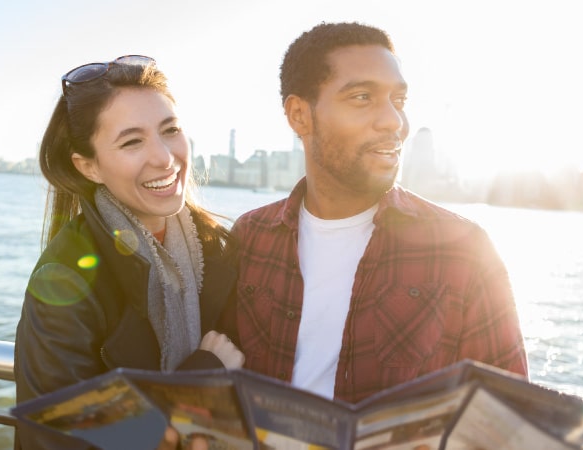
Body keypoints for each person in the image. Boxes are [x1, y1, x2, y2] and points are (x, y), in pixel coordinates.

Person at [221, 21, 528, 404]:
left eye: (398, 101)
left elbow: (508, 417)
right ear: (300, 115)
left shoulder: (464, 249)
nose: (394, 122)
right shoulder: (249, 237)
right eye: (363, 97)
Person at [14, 54, 244, 449]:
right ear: (89, 167)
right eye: (132, 141)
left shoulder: (218, 249)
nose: (164, 157)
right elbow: (56, 437)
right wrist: (201, 377)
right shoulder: (65, 275)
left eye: (170, 130)